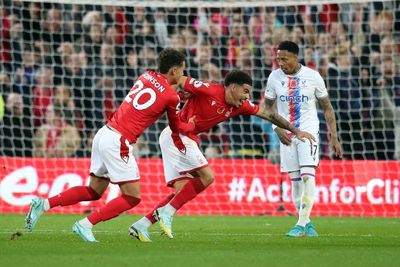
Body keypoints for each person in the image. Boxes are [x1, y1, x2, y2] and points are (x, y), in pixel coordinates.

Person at [25, 48, 194, 242]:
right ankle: (85, 224)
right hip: (118, 141)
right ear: (173, 71)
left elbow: (157, 95)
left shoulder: (146, 75)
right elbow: (176, 127)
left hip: (104, 133)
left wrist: (181, 97)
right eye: (182, 70)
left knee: (94, 191)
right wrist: (192, 124)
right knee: (132, 197)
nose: (183, 75)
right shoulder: (171, 97)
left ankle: (43, 204)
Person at [129, 70, 316, 242]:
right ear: (232, 87)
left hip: (177, 137)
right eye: (245, 91)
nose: (246, 97)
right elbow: (179, 79)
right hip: (178, 135)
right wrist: (174, 103)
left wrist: (294, 130)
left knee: (182, 191)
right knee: (208, 176)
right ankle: (167, 212)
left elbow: (268, 114)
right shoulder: (209, 90)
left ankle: (142, 225)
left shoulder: (240, 106)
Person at [265, 41, 343, 237]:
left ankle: (299, 225)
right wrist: (276, 128)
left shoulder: (313, 76)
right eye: (278, 59)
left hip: (308, 132)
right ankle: (307, 222)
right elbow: (268, 108)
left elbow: (327, 107)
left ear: (295, 57)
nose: (281, 63)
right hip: (287, 134)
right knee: (296, 181)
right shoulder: (274, 77)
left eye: (285, 59)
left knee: (308, 175)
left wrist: (334, 136)